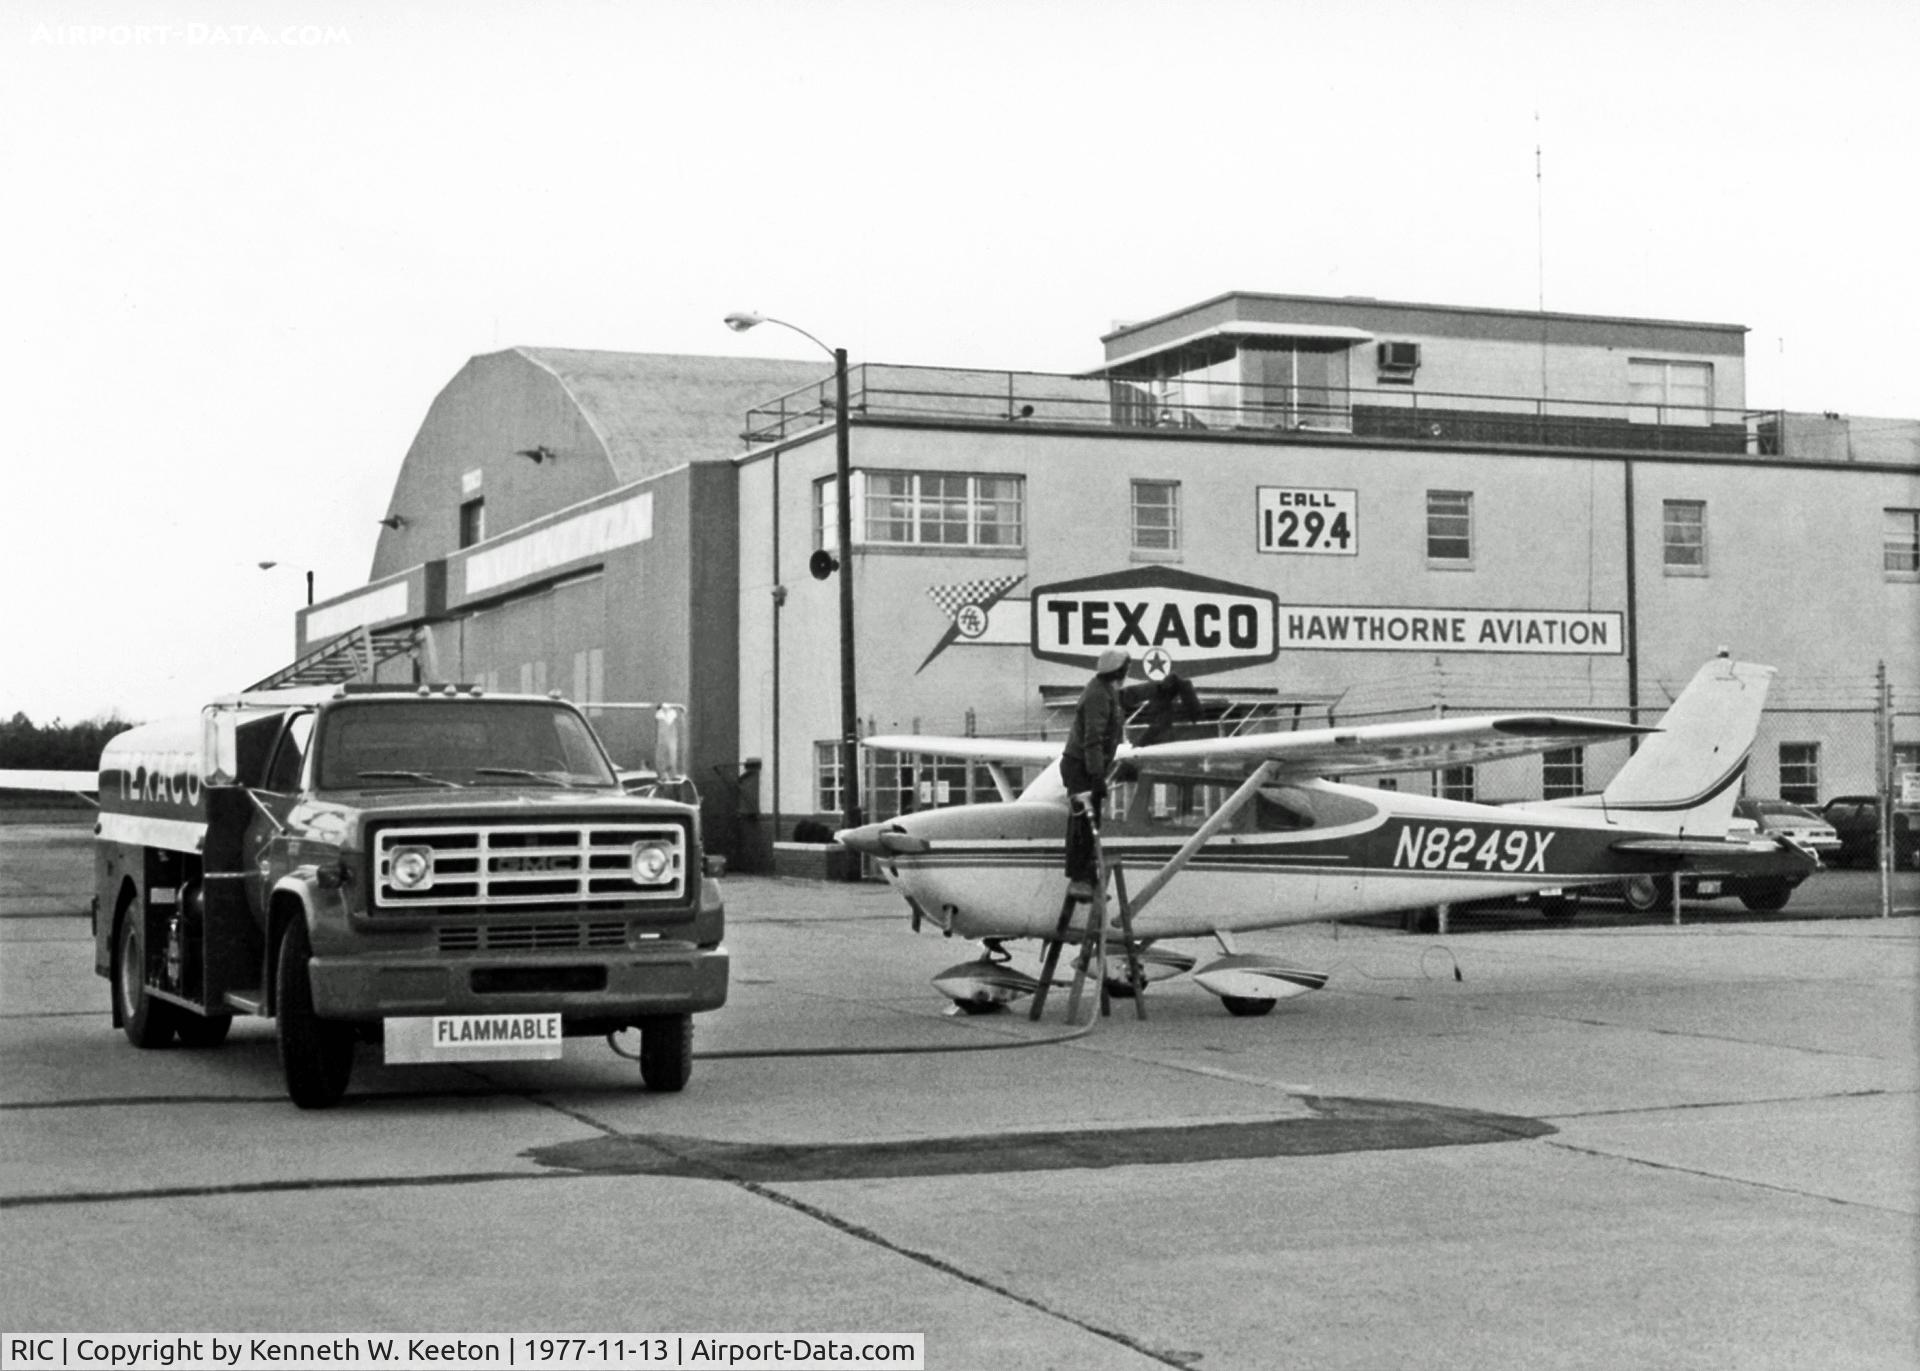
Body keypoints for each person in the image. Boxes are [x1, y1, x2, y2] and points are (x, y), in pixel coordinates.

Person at [1060, 648, 1131, 899]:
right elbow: (1093, 739)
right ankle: (1079, 879)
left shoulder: (1105, 691)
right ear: (1120, 670)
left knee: (1092, 823)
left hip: (1084, 765)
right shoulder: (1098, 695)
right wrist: (1097, 775)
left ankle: (1088, 878)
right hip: (1081, 766)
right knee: (1084, 822)